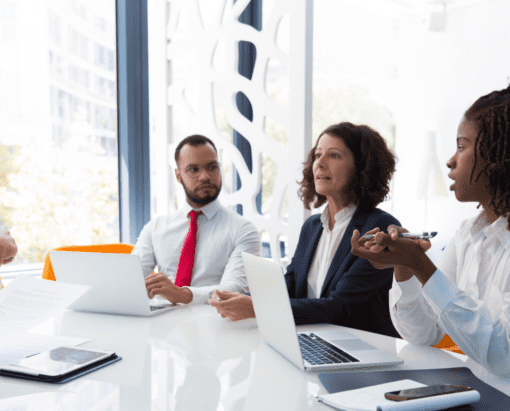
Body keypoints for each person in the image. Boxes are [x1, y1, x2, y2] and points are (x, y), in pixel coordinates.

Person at [351, 85, 510, 376]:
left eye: (462, 147)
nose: (450, 160)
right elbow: (425, 333)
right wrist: (406, 269)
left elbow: (504, 356)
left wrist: (421, 265)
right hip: (474, 396)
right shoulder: (467, 235)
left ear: (498, 157)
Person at [210, 122, 401, 337]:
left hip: (362, 351)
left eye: (334, 155)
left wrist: (257, 308)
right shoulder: (312, 227)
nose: (319, 164)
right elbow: (292, 285)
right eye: (317, 155)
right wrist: (243, 298)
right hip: (314, 339)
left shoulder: (380, 229)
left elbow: (340, 307)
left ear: (361, 166)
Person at [132, 134, 260, 304]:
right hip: (160, 324)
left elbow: (234, 288)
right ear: (178, 176)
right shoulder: (155, 227)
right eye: (193, 170)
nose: (205, 176)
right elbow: (131, 280)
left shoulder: (243, 230)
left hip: (216, 324)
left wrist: (183, 295)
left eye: (212, 167)